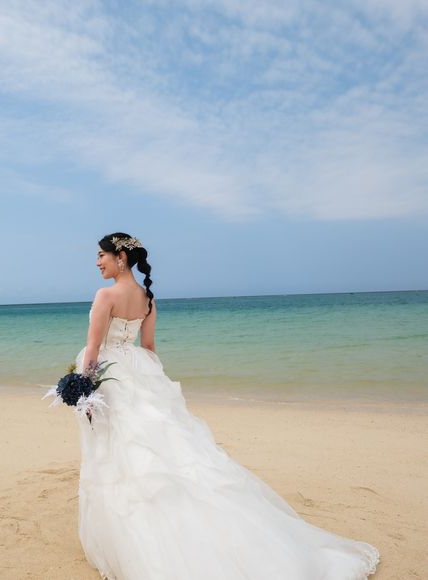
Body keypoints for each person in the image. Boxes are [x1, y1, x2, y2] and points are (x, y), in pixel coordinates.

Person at [73, 232, 380, 580]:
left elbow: (94, 348)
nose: (97, 263)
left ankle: (135, 542)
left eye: (101, 256)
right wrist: (154, 386)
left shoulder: (105, 295)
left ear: (120, 258)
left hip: (113, 379)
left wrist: (84, 390)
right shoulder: (148, 299)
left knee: (119, 455)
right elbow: (149, 348)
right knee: (158, 452)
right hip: (140, 374)